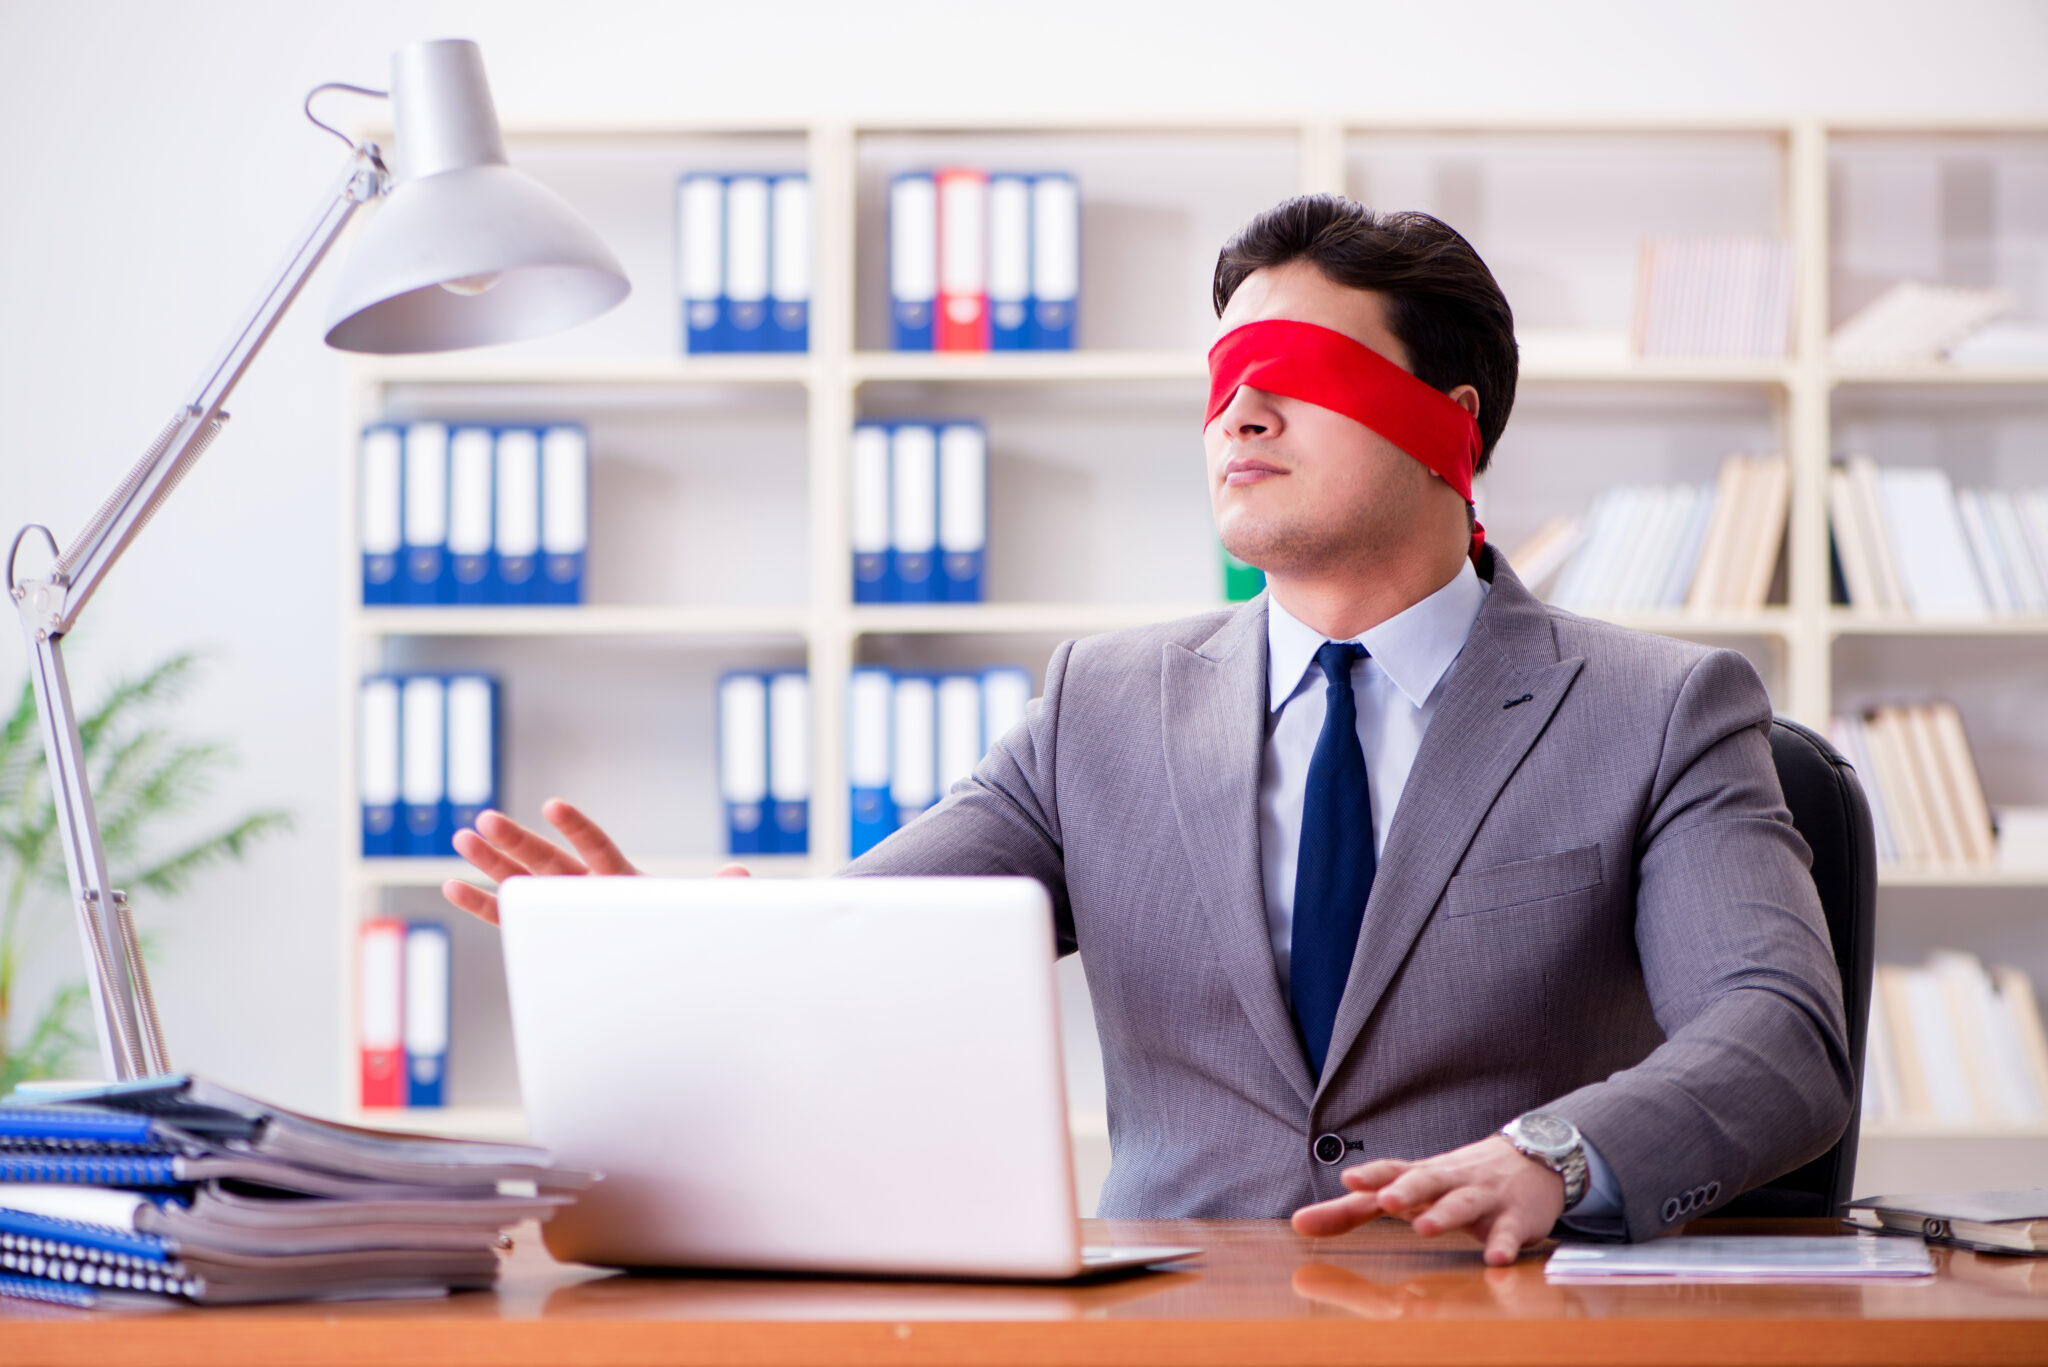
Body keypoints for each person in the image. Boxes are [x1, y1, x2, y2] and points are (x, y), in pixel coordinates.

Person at [444, 194, 1853, 1265]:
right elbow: (862, 949)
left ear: (1449, 426)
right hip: (1171, 1320)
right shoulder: (1097, 710)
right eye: (1223, 375)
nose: (1238, 410)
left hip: (1487, 1312)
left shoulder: (1658, 711)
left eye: (1294, 368)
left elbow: (1779, 1035)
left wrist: (1555, 1157)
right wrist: (655, 949)